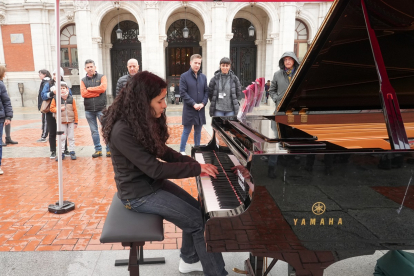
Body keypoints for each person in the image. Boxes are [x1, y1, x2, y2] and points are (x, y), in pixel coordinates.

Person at [101, 71, 228, 276]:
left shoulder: (139, 120)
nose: (165, 105)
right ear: (144, 101)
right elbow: (156, 168)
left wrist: (194, 162)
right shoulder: (122, 130)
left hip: (150, 184)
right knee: (198, 223)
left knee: (199, 211)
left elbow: (164, 152)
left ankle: (189, 260)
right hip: (137, 195)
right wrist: (195, 169)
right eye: (160, 100)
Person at [179, 54, 209, 155]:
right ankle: (182, 150)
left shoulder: (203, 77)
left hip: (200, 109)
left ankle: (197, 149)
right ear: (190, 62)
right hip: (189, 109)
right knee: (186, 131)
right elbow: (183, 92)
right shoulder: (184, 76)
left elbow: (206, 92)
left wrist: (203, 103)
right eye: (195, 63)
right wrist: (193, 104)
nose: (197, 65)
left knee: (198, 131)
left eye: (199, 63)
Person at [80, 59, 110, 158]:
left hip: (101, 108)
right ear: (85, 69)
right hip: (89, 110)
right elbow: (83, 93)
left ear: (95, 67)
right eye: (88, 67)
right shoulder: (83, 80)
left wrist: (89, 89)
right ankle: (98, 150)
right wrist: (97, 93)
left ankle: (109, 149)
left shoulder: (102, 77)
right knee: (94, 131)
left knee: (106, 129)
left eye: (91, 66)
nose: (90, 69)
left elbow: (103, 88)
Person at [41, 67, 71, 159]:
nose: (55, 76)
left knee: (63, 130)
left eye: (57, 74)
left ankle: (65, 149)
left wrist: (64, 93)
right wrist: (52, 93)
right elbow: (43, 95)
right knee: (52, 131)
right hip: (50, 110)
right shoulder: (48, 84)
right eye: (54, 74)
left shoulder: (65, 84)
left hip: (62, 110)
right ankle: (53, 151)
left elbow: (70, 95)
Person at [50, 82, 78, 161]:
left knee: (71, 137)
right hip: (61, 122)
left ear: (67, 89)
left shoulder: (71, 99)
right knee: (61, 137)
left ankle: (72, 151)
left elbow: (75, 110)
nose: (62, 90)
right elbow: (51, 108)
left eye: (63, 88)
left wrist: (76, 121)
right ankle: (61, 153)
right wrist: (59, 109)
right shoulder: (55, 98)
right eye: (60, 88)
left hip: (70, 121)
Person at [0, 65, 13, 175]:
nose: (5, 74)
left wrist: (8, 116)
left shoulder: (1, 85)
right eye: (4, 72)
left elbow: (6, 101)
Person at [37, 69, 52, 143]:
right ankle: (50, 135)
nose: (39, 76)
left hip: (46, 104)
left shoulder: (45, 82)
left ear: (44, 74)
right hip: (49, 104)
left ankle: (44, 136)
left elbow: (42, 95)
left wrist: (40, 105)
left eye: (40, 74)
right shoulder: (48, 82)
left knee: (45, 120)